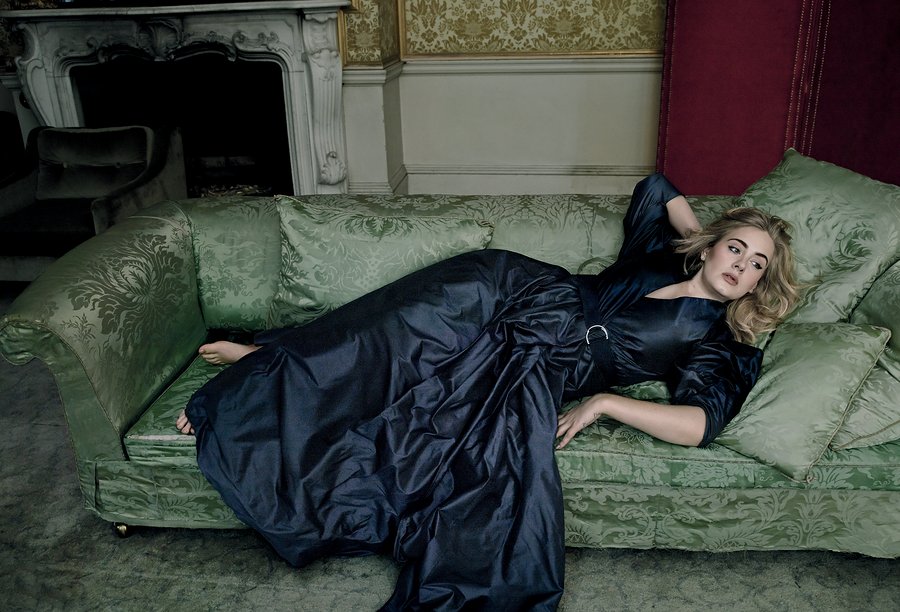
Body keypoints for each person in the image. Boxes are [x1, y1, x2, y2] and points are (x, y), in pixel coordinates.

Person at [176, 174, 799, 611]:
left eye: (756, 265)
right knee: (398, 331)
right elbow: (657, 187)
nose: (740, 265)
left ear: (760, 285)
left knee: (458, 443)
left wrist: (607, 402)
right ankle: (272, 362)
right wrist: (707, 237)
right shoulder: (668, 254)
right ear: (712, 245)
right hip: (520, 287)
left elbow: (698, 424)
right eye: (735, 249)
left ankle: (276, 367)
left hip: (538, 360)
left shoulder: (722, 339)